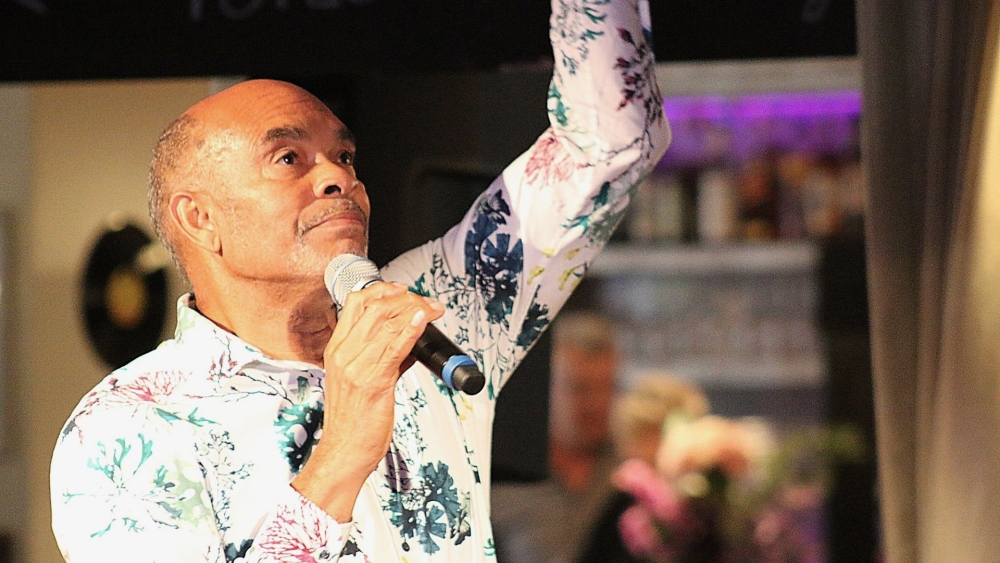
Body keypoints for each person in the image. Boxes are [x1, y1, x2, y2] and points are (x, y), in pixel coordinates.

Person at [50, 0, 670, 560]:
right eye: (288, 158)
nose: (338, 178)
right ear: (200, 218)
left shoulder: (430, 314)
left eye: (344, 156)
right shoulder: (124, 428)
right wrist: (343, 450)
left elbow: (608, 147)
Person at [491, 312, 621, 563]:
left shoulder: (632, 472)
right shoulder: (505, 481)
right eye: (579, 388)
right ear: (544, 387)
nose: (596, 404)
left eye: (607, 386)